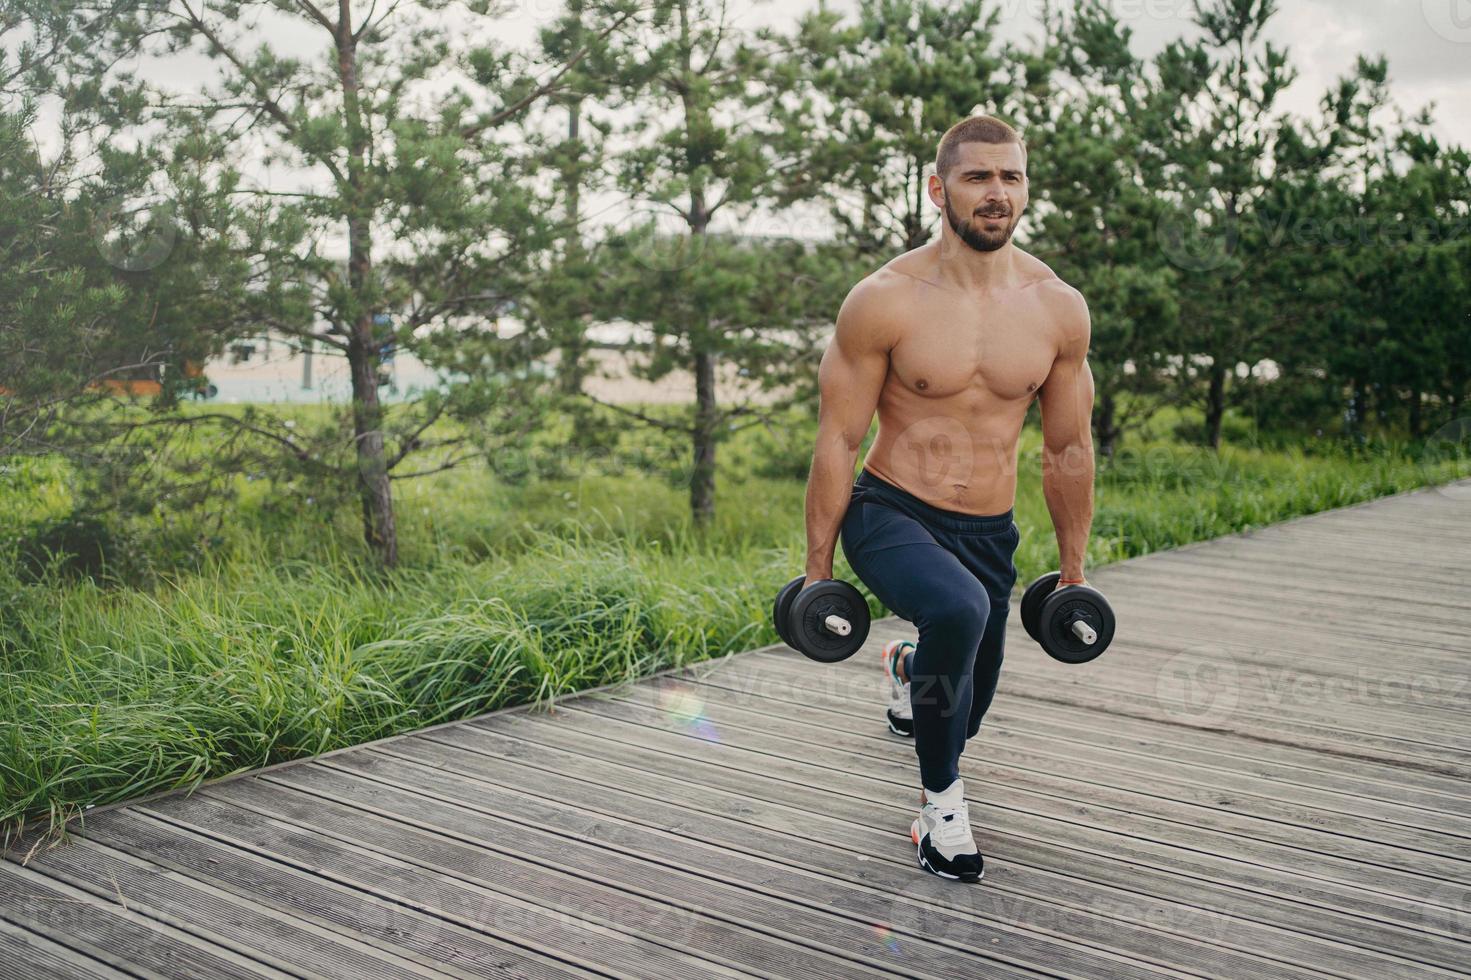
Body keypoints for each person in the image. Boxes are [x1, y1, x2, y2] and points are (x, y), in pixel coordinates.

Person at [800, 114, 1096, 882]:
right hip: (892, 509)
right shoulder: (883, 300)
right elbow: (836, 438)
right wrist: (815, 572)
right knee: (957, 612)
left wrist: (1072, 571)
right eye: (977, 177)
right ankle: (940, 817)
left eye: (1010, 177)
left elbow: (1066, 448)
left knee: (964, 711)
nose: (996, 193)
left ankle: (908, 673)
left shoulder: (1057, 309)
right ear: (938, 189)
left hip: (987, 532)